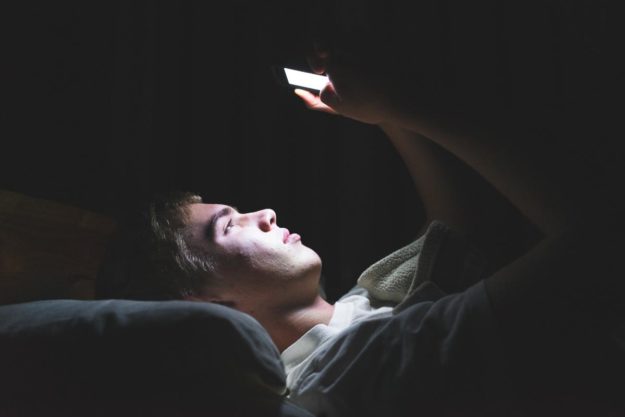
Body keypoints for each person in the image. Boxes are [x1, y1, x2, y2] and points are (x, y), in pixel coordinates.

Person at [97, 11, 625, 415]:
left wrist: (385, 116)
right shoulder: (347, 374)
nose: (265, 213)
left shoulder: (349, 318)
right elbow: (605, 243)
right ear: (209, 304)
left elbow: (453, 232)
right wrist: (412, 103)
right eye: (229, 225)